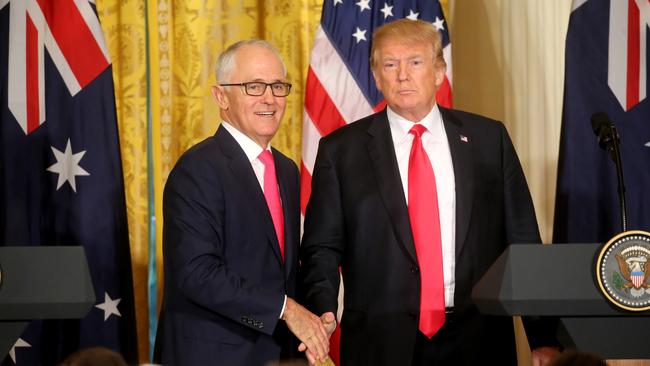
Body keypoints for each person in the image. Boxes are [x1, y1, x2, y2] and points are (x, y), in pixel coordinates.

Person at [299, 19, 559, 365]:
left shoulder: (488, 140)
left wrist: (542, 337)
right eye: (390, 64)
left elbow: (523, 243)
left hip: (479, 338)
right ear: (376, 76)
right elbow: (321, 249)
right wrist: (322, 312)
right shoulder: (341, 151)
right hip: (379, 342)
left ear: (439, 71)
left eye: (415, 62)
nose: (402, 75)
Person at [158, 39, 330, 366]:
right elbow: (197, 273)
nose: (270, 98)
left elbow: (280, 271)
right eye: (254, 86)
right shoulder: (198, 168)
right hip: (213, 355)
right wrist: (286, 309)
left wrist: (316, 315)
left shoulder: (286, 170)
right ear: (221, 96)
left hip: (277, 353)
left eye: (278, 86)